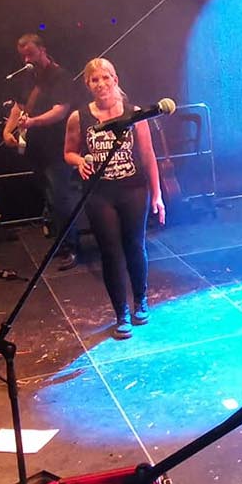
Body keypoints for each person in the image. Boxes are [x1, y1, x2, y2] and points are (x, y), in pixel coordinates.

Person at [65, 58, 166, 338]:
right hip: (100, 193)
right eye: (94, 80)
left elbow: (148, 155)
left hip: (133, 189)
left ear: (115, 80)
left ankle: (140, 300)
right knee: (110, 251)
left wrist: (157, 194)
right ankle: (121, 312)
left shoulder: (134, 114)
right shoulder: (79, 117)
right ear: (88, 85)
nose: (101, 84)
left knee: (135, 245)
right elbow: (68, 152)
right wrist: (79, 161)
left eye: (105, 78)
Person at [4, 32, 81, 269]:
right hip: (36, 148)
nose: (27, 60)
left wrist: (33, 122)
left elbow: (61, 110)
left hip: (58, 147)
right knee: (49, 196)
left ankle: (71, 246)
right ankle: (60, 241)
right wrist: (7, 130)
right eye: (23, 56)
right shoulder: (26, 77)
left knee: (60, 196)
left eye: (31, 54)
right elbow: (18, 106)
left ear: (43, 50)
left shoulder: (60, 76)